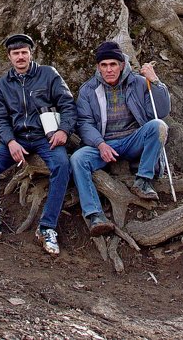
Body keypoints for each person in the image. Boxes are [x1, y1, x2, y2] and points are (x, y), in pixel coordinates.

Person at [0, 33, 76, 256]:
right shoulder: (3, 85)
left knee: (62, 165)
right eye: (16, 53)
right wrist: (10, 141)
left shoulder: (48, 74)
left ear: (31, 54)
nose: (20, 57)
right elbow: (0, 119)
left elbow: (68, 104)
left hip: (46, 137)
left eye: (24, 52)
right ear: (9, 57)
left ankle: (47, 228)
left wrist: (64, 130)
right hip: (19, 138)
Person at [70, 40, 171, 236]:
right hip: (104, 143)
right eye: (104, 65)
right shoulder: (88, 90)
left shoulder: (139, 83)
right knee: (77, 158)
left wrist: (156, 82)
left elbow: (160, 112)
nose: (109, 70)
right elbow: (84, 123)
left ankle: (143, 180)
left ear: (122, 64)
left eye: (113, 64)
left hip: (133, 139)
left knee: (158, 127)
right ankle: (94, 215)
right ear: (98, 67)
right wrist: (100, 144)